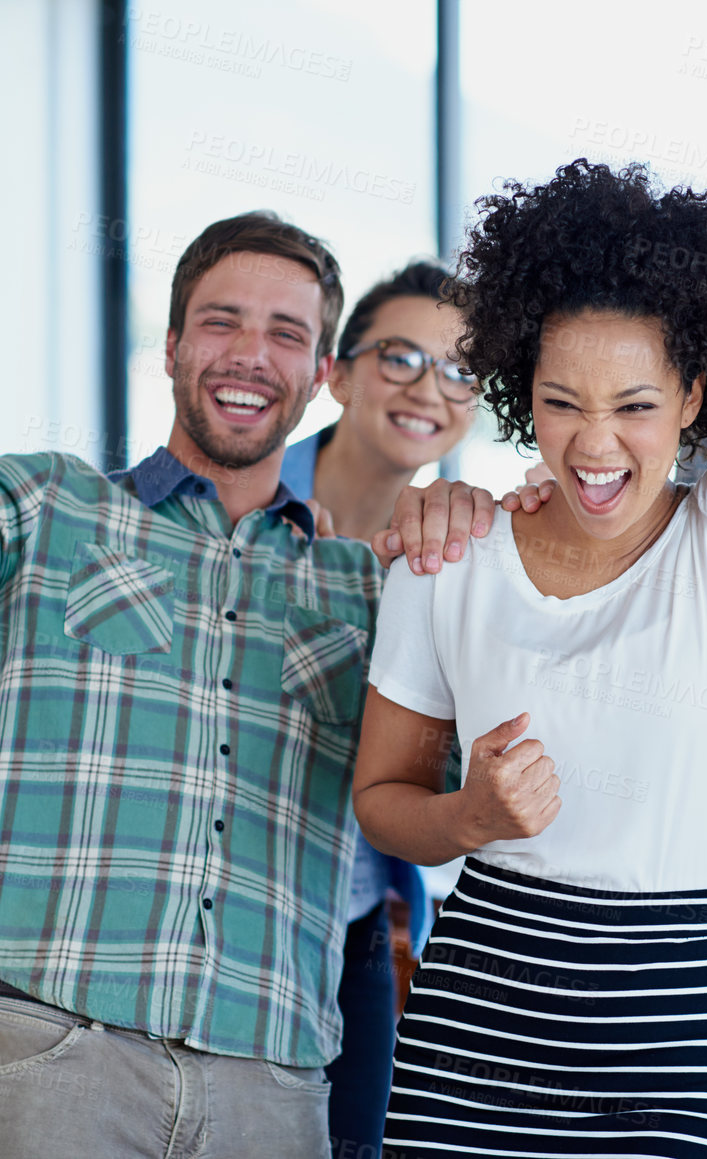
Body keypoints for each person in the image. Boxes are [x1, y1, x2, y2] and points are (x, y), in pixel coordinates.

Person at [0, 131, 503, 1157]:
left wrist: (483, 527)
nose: (252, 353)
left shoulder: (364, 587)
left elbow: (464, 767)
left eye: (286, 334)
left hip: (275, 1064)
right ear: (171, 349)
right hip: (59, 1042)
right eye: (222, 322)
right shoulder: (46, 508)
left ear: (316, 380)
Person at [350, 3, 707, 1155]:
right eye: (561, 403)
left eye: (635, 406)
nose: (595, 445)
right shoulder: (451, 556)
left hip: (676, 1021)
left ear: (693, 398)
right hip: (478, 1014)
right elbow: (383, 796)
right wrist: (472, 814)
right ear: (515, 393)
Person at [278, 259, 474, 1159]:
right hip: (222, 904)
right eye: (399, 356)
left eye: (461, 368)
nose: (428, 388)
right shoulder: (241, 499)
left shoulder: (459, 549)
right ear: (338, 372)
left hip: (355, 921)